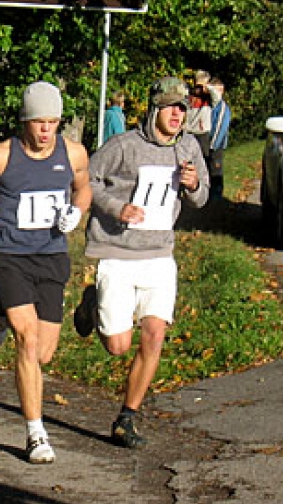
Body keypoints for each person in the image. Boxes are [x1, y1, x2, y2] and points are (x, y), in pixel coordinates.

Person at [73, 76, 208, 449]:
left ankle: (126, 417)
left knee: (154, 334)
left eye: (183, 108)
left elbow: (202, 197)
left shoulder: (189, 149)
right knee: (118, 345)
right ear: (154, 110)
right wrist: (118, 208)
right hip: (118, 251)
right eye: (171, 107)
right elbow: (88, 180)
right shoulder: (122, 146)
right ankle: (91, 304)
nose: (177, 114)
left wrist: (194, 184)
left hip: (159, 254)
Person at [0, 81, 91, 464]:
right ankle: (35, 432)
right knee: (26, 340)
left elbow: (84, 188)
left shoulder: (73, 153)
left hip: (51, 256)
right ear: (26, 120)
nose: (46, 130)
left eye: (53, 122)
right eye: (39, 122)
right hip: (11, 255)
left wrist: (77, 211)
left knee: (43, 352)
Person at [207, 77, 232, 201]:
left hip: (216, 144)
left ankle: (216, 197)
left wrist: (213, 145)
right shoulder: (210, 106)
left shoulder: (222, 108)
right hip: (209, 142)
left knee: (216, 169)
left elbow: (220, 128)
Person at [184, 70, 213, 164]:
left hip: (203, 134)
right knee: (188, 161)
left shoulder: (209, 97)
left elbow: (217, 95)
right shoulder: (189, 96)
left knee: (203, 161)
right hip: (188, 133)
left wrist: (206, 86)